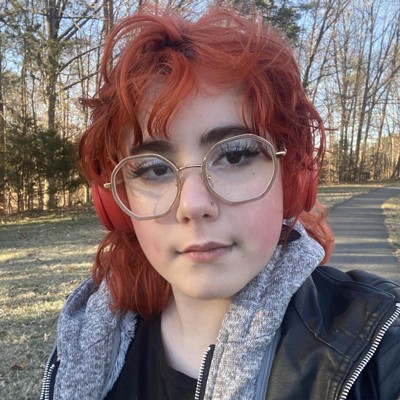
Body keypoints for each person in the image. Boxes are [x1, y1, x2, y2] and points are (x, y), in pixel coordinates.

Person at [40, 4, 400, 400]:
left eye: (235, 155)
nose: (193, 205)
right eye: (154, 169)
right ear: (117, 199)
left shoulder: (380, 347)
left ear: (292, 176)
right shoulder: (82, 340)